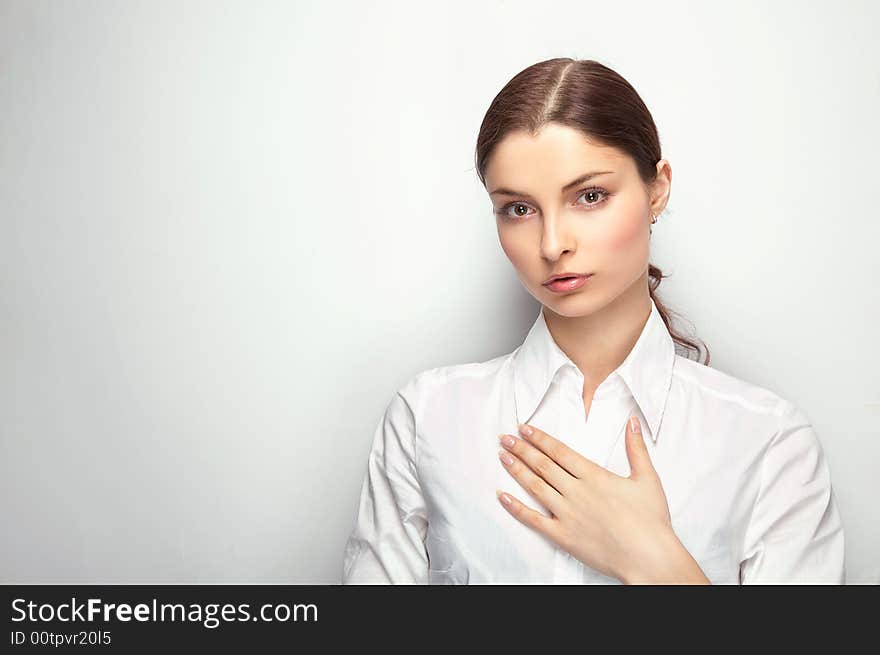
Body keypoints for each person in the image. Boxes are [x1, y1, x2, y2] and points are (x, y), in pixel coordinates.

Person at [341, 58, 845, 584]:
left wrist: (658, 566)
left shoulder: (769, 443)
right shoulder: (427, 419)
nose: (553, 243)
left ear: (658, 189)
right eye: (518, 208)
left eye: (590, 196)